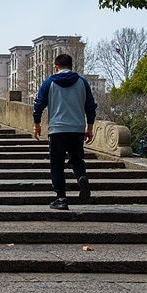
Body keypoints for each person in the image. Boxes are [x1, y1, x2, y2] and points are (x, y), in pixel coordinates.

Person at [32, 53, 97, 211]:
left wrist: (37, 124)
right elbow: (90, 106)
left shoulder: (49, 82)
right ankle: (81, 176)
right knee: (77, 159)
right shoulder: (82, 82)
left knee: (57, 164)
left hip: (57, 130)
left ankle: (61, 198)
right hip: (77, 129)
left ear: (56, 67)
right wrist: (89, 128)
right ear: (71, 66)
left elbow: (38, 104)